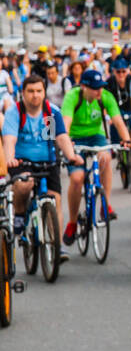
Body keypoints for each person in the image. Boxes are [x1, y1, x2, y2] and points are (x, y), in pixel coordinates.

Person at [3, 75, 82, 243]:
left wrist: (71, 156)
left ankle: (57, 245)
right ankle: (19, 213)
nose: (35, 95)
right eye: (30, 91)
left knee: (55, 199)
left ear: (44, 92)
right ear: (23, 93)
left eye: (39, 91)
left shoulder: (50, 112)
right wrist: (10, 158)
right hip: (22, 161)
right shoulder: (15, 112)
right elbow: (10, 139)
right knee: (25, 185)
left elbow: (60, 137)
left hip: (48, 161)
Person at [61, 68, 131, 238]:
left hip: (96, 136)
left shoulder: (105, 96)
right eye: (95, 87)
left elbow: (118, 121)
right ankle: (72, 222)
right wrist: (67, 143)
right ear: (84, 87)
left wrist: (127, 140)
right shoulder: (72, 97)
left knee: (106, 157)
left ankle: (104, 205)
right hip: (75, 138)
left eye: (101, 86)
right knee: (77, 179)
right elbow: (65, 123)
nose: (99, 90)